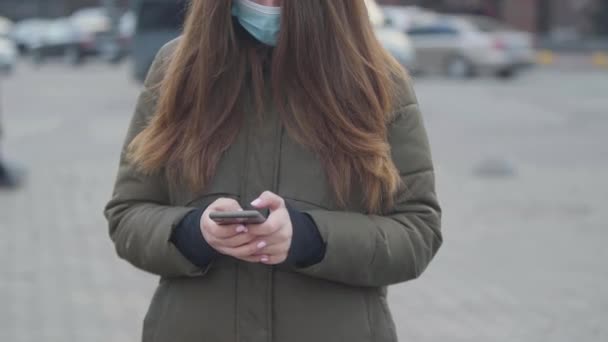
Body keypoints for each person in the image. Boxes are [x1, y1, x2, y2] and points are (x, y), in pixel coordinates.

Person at [104, 1, 442, 341]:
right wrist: (194, 232)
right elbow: (128, 213)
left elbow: (417, 230)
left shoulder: (377, 78)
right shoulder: (176, 68)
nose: (266, 4)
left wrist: (310, 238)